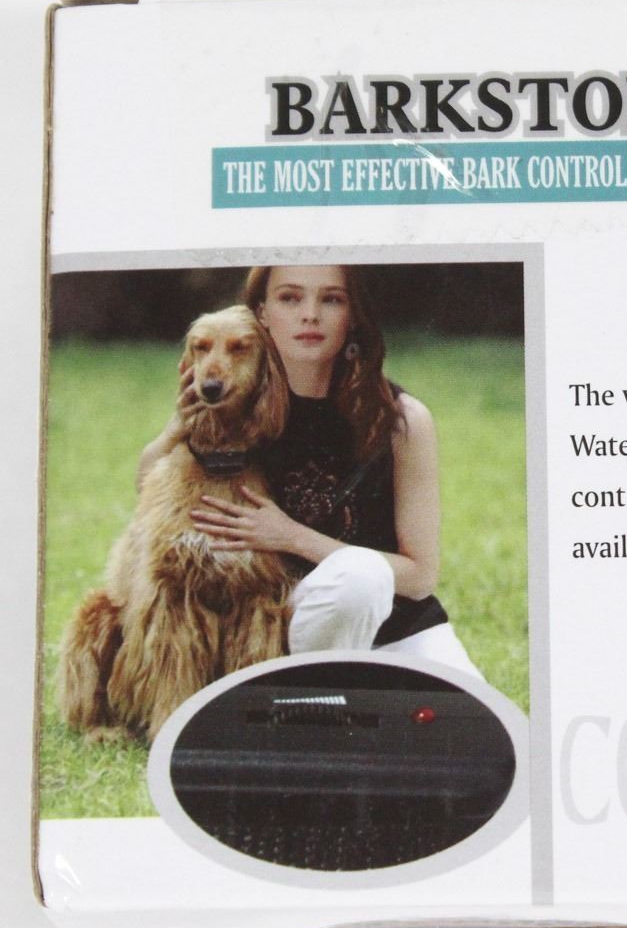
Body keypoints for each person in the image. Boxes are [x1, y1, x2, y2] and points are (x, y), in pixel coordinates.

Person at [137, 264, 482, 677]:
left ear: (353, 314)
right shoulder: (238, 400)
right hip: (287, 621)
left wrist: (291, 536)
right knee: (358, 578)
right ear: (262, 313)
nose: (310, 315)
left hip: (398, 625)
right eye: (290, 298)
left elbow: (420, 576)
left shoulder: (401, 419)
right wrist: (176, 430)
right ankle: (317, 694)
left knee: (472, 707)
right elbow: (147, 486)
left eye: (332, 299)